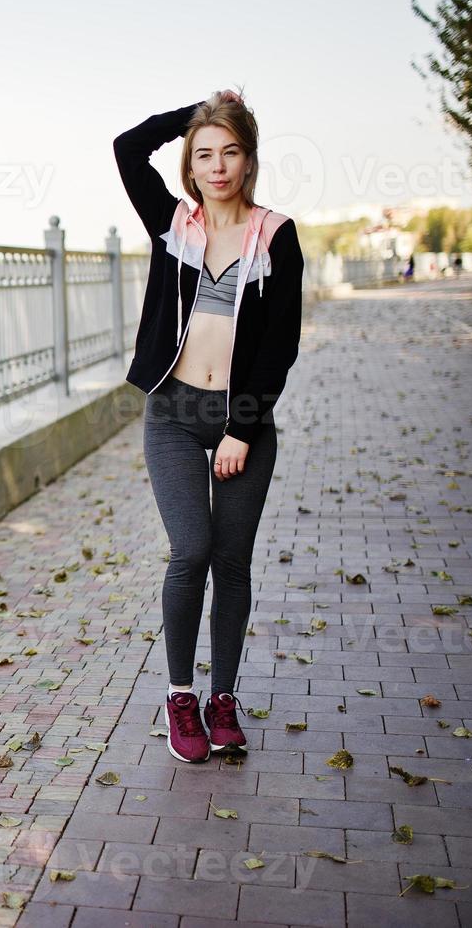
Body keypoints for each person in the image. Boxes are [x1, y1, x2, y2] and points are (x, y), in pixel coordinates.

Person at [113, 90, 304, 764]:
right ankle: (178, 696)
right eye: (203, 154)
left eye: (229, 151)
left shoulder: (275, 234)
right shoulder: (173, 224)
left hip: (240, 422)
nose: (216, 165)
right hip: (171, 413)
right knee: (189, 551)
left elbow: (278, 344)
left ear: (248, 160)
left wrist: (242, 429)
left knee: (231, 561)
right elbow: (126, 148)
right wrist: (197, 111)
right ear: (189, 165)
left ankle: (222, 698)